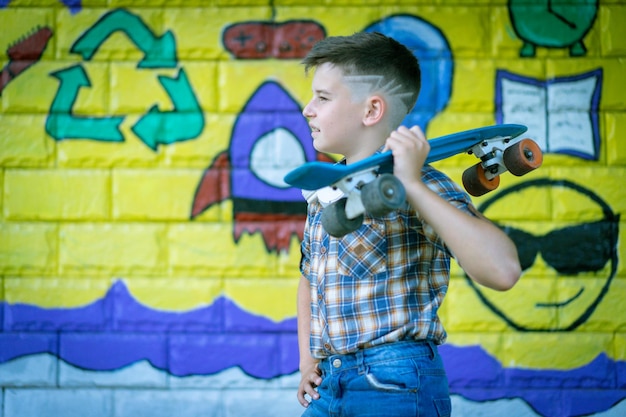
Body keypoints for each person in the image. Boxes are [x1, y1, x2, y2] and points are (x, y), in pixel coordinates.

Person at [296, 32, 522, 417]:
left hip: (394, 382)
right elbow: (309, 277)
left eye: (322, 97)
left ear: (371, 111)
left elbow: (502, 271)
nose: (307, 109)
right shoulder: (327, 191)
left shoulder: (420, 182)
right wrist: (307, 359)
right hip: (331, 382)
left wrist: (413, 184)